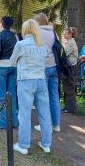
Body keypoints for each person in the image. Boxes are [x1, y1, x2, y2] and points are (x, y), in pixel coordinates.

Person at [10, 19, 52, 155]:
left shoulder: (20, 44)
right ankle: (46, 144)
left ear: (25, 29)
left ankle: (23, 145)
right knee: (45, 114)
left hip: (26, 80)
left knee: (24, 115)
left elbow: (12, 62)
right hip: (41, 80)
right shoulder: (42, 45)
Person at [0, 16, 18, 129]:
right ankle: (13, 121)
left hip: (1, 66)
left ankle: (3, 122)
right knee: (11, 94)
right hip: (13, 66)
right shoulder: (15, 36)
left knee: (1, 94)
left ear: (1, 24)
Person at [33, 13, 61, 132]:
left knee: (42, 97)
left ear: (38, 23)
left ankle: (46, 125)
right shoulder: (54, 33)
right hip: (54, 66)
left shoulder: (37, 33)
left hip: (42, 67)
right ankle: (56, 125)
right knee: (54, 96)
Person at [62, 26, 78, 114]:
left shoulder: (70, 43)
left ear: (70, 34)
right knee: (67, 86)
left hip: (70, 68)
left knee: (69, 87)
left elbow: (64, 54)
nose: (64, 34)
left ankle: (71, 109)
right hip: (70, 67)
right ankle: (68, 107)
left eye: (65, 32)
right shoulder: (69, 42)